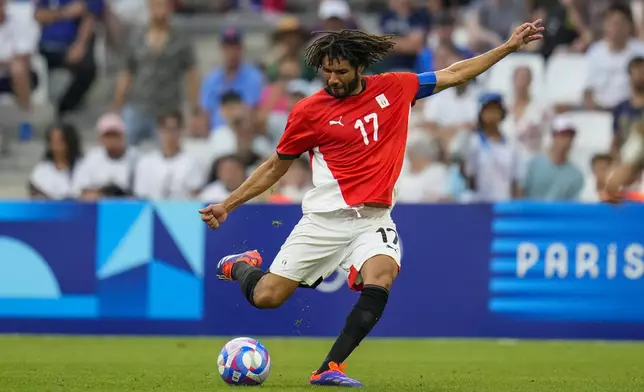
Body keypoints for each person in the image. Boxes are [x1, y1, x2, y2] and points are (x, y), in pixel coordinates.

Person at [199, 24, 544, 387]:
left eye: (340, 72)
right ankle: (239, 265)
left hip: (374, 218)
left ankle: (329, 367)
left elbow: (455, 73)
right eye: (327, 71)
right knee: (267, 297)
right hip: (324, 221)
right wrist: (227, 205)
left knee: (382, 276)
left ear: (360, 67)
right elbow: (275, 166)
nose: (332, 79)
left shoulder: (395, 88)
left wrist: (507, 47)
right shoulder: (308, 112)